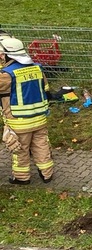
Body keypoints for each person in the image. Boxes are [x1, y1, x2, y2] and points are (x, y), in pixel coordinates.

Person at [0, 37, 54, 185]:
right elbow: (46, 89)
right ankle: (47, 174)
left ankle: (22, 178)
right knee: (41, 146)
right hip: (40, 119)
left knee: (20, 151)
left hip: (19, 121)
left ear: (6, 55)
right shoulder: (37, 68)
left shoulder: (6, 75)